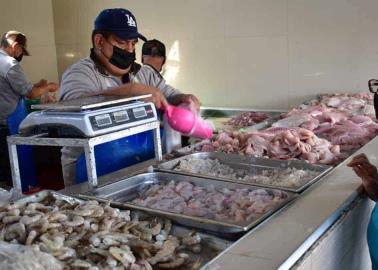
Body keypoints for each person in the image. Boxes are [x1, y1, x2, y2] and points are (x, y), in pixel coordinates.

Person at [59, 8, 169, 186]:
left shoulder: (143, 72)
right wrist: (130, 91)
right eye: (122, 43)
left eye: (133, 43)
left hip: (137, 162)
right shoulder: (79, 73)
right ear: (99, 41)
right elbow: (75, 106)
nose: (130, 49)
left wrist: (186, 100)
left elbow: (171, 95)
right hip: (91, 171)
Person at [0, 30, 58, 184]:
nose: (21, 55)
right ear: (15, 46)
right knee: (18, 167)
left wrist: (36, 85)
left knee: (5, 171)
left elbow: (14, 89)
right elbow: (31, 94)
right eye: (21, 50)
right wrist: (48, 87)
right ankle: (24, 193)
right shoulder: (10, 64)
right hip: (9, 123)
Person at [135, 39, 200, 111]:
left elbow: (168, 94)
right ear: (165, 60)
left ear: (141, 57)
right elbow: (169, 95)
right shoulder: (149, 75)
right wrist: (186, 98)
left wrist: (184, 97)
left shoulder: (141, 73)